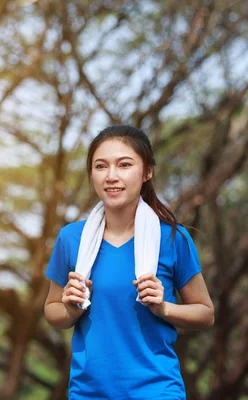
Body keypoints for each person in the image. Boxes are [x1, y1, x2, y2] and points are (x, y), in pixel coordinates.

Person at [44, 125, 214, 399]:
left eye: (124, 165)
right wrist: (71, 310)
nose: (111, 176)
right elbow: (52, 311)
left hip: (157, 390)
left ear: (147, 172)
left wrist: (164, 308)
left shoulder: (172, 237)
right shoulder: (71, 239)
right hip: (88, 392)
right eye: (101, 166)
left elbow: (206, 313)